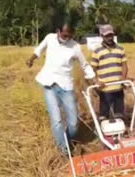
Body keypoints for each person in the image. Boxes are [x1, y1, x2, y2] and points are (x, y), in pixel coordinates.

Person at [26, 23, 95, 155]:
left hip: (66, 86)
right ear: (58, 30)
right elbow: (38, 50)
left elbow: (84, 65)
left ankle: (67, 141)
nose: (67, 38)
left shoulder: (75, 46)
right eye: (64, 35)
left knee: (74, 123)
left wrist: (93, 78)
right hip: (49, 84)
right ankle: (65, 151)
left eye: (69, 35)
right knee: (56, 120)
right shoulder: (50, 38)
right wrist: (31, 59)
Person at [90, 24, 128, 120]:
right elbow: (92, 69)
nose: (110, 38)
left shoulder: (120, 49)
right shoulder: (97, 51)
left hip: (118, 87)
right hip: (105, 89)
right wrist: (97, 82)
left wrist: (123, 79)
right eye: (107, 35)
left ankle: (119, 134)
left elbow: (124, 66)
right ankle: (105, 132)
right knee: (104, 116)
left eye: (111, 35)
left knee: (119, 115)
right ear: (102, 36)